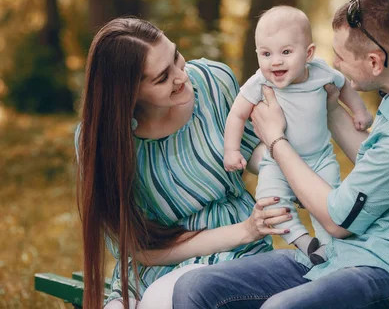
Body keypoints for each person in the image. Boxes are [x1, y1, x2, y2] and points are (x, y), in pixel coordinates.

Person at [172, 0, 389, 309]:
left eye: (341, 57)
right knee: (195, 288)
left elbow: (337, 220)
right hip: (339, 252)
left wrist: (275, 140)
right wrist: (333, 109)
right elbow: (381, 160)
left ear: (375, 62)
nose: (333, 64)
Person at [76, 17, 292, 309]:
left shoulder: (215, 82)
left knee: (161, 301)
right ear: (128, 94)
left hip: (235, 248)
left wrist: (289, 165)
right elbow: (138, 249)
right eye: (163, 77)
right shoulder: (102, 140)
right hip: (158, 259)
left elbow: (252, 148)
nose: (182, 76)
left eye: (177, 57)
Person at [223, 6, 372, 264]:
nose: (275, 61)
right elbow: (236, 115)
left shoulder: (321, 73)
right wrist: (232, 150)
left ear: (309, 53)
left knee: (331, 206)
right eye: (266, 54)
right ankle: (304, 241)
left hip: (320, 159)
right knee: (269, 203)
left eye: (286, 52)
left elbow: (344, 86)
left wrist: (359, 111)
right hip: (276, 163)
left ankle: (328, 247)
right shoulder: (260, 82)